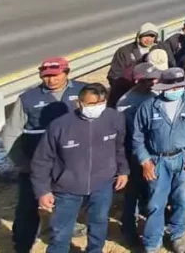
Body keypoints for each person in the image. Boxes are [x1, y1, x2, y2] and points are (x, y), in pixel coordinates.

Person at [31, 83, 127, 253]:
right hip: (67, 188)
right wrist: (43, 191)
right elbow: (42, 160)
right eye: (91, 104)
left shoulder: (114, 118)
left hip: (102, 184)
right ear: (79, 103)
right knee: (61, 230)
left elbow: (119, 147)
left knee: (99, 223)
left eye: (101, 103)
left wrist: (123, 170)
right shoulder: (60, 126)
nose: (96, 108)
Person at [1, 57, 84, 253]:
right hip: (36, 165)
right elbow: (11, 133)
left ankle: (67, 232)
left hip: (71, 164)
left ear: (66, 73)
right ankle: (22, 244)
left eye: (55, 75)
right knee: (28, 207)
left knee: (69, 201)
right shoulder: (28, 98)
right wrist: (22, 162)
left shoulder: (83, 91)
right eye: (46, 76)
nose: (51, 80)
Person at [131, 67, 185, 253]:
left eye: (179, 86)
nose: (175, 91)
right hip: (158, 160)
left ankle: (177, 234)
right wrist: (145, 161)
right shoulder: (148, 107)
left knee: (182, 199)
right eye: (171, 87)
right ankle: (152, 242)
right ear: (162, 87)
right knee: (156, 203)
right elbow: (137, 137)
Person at [115, 62, 161, 244]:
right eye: (147, 80)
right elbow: (127, 134)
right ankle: (129, 229)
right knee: (132, 194)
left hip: (154, 153)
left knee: (150, 192)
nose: (152, 83)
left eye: (154, 79)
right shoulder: (125, 103)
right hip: (133, 154)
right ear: (137, 80)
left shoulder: (156, 94)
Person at [109, 23, 161, 104]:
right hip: (127, 95)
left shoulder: (159, 50)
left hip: (151, 94)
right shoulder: (124, 51)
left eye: (152, 36)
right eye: (145, 35)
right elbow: (114, 75)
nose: (148, 39)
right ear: (139, 36)